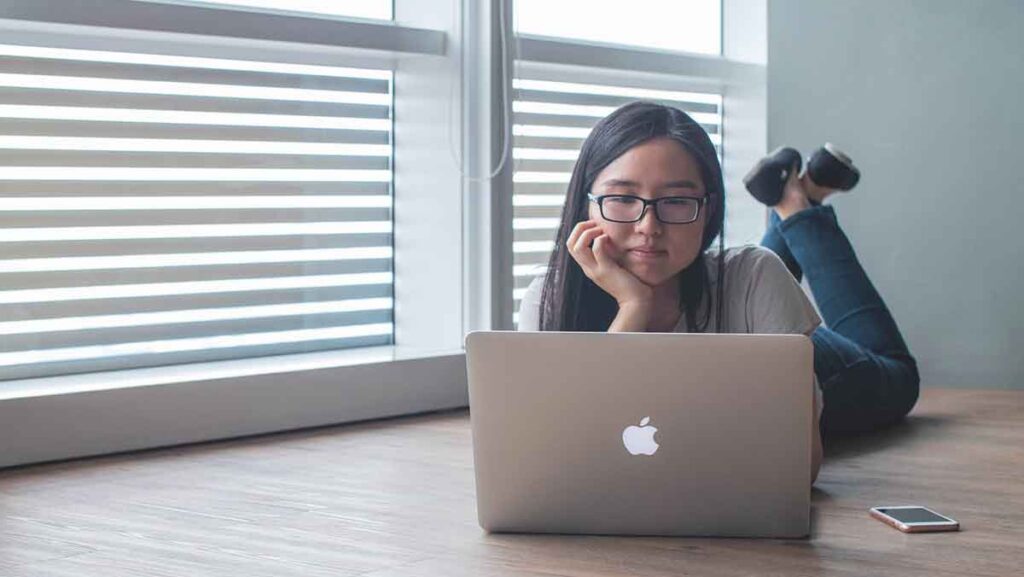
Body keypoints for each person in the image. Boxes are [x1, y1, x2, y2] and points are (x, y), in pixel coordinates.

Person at [516, 101, 920, 484]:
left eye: (676, 201)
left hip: (829, 371)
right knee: (741, 269)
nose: (648, 226)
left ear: (708, 209)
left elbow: (799, 468)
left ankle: (798, 208)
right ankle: (805, 192)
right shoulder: (548, 300)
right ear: (586, 205)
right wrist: (633, 308)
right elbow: (571, 457)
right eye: (622, 198)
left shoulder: (757, 278)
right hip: (743, 302)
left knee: (899, 377)